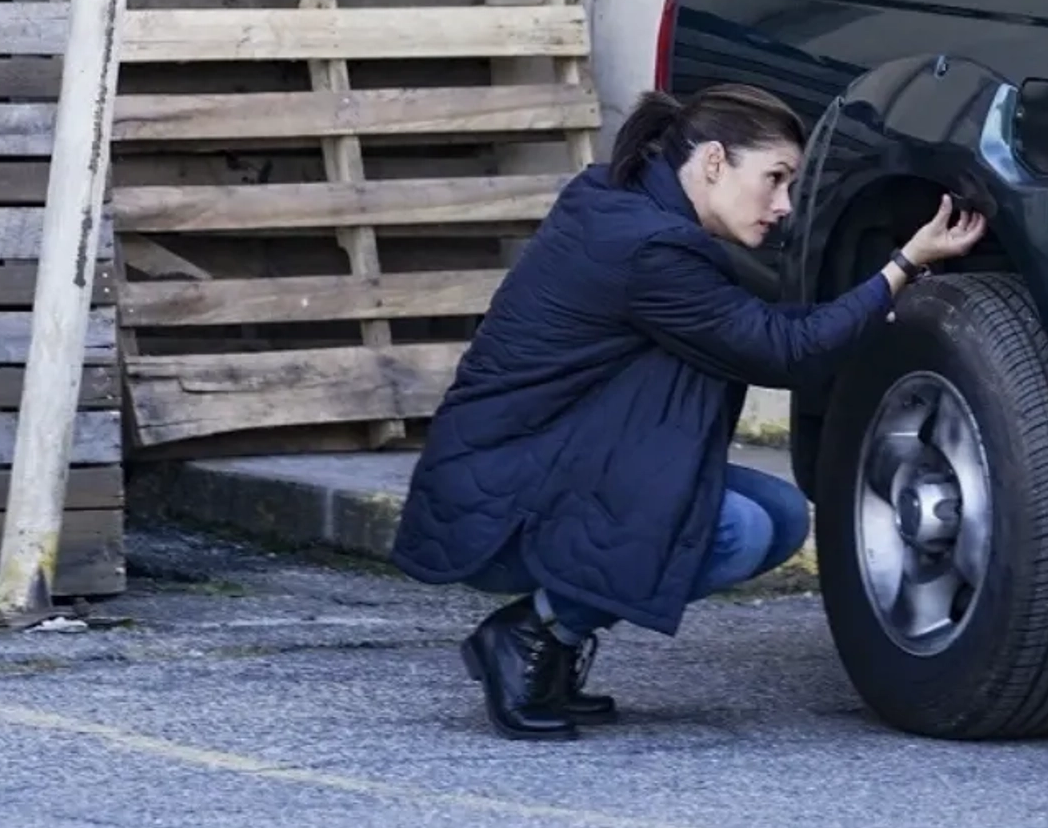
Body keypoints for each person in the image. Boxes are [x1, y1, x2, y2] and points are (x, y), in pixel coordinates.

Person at [389, 82, 987, 740]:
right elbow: (783, 351)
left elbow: (752, 327)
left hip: (527, 463)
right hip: (502, 503)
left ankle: (551, 641)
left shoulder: (621, 203)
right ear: (712, 163)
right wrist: (903, 265)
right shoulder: (652, 250)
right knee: (736, 531)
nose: (785, 205)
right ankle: (533, 632)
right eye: (776, 179)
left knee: (782, 515)